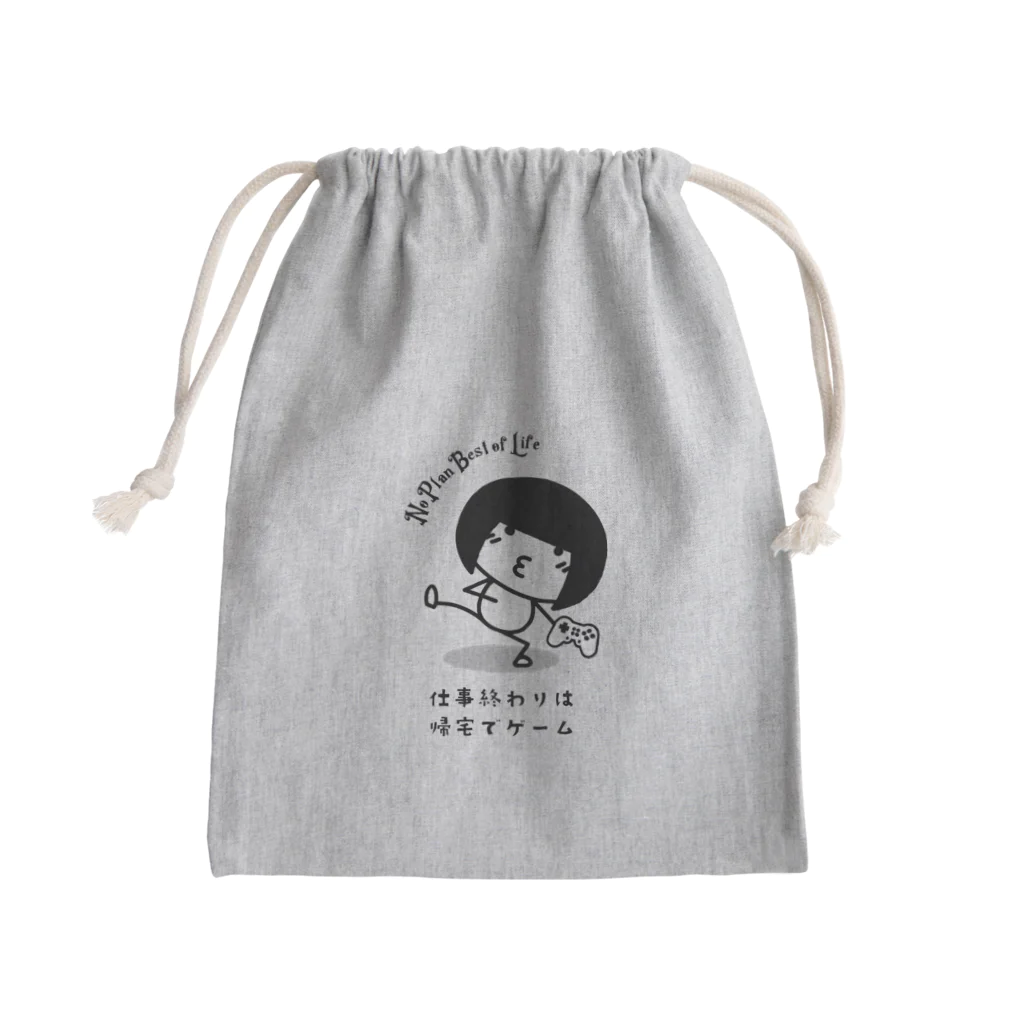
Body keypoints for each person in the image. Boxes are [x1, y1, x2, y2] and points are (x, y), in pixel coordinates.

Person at [425, 477, 606, 667]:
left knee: (534, 626)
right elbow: (466, 596)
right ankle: (562, 630)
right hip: (496, 621)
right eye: (509, 532)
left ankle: (567, 630)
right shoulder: (482, 588)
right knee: (475, 612)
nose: (523, 560)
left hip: (521, 621)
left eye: (557, 552)